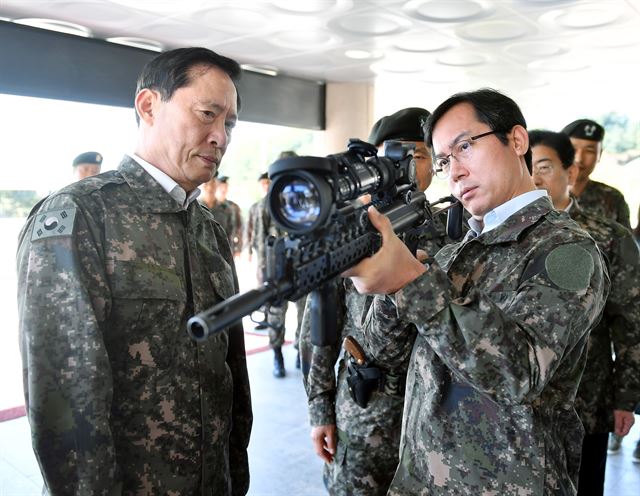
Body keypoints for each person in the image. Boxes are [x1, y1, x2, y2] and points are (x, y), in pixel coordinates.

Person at [343, 88, 609, 495]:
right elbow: (385, 352)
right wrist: (390, 272)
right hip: (423, 481)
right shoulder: (455, 251)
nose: (454, 172)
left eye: (465, 147)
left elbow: (519, 373)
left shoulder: (568, 251)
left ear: (517, 141)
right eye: (445, 161)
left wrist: (412, 282)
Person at [16, 47, 252, 495]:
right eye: (207, 114)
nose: (220, 136)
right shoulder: (80, 216)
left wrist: (235, 476)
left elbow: (230, 371)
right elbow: (65, 402)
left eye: (230, 124)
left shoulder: (208, 229)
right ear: (148, 106)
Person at [303, 107, 465, 495]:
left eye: (419, 155)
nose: (406, 166)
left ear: (434, 164)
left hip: (435, 410)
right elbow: (320, 332)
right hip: (365, 410)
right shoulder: (350, 230)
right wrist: (320, 409)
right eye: (394, 156)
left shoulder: (452, 229)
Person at [530, 129, 640, 496]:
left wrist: (625, 399)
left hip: (586, 401)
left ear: (570, 173)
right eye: (525, 166)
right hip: (522, 405)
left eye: (544, 166)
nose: (533, 177)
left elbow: (630, 323)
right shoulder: (504, 235)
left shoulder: (607, 237)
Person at [254, 150, 306, 377]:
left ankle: (299, 351)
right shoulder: (265, 205)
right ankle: (277, 354)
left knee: (304, 316)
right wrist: (263, 273)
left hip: (303, 267)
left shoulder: (304, 198)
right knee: (276, 316)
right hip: (276, 270)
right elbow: (259, 241)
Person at [561, 118, 631, 229]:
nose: (579, 159)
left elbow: (626, 243)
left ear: (600, 155)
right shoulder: (544, 195)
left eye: (589, 151)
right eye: (573, 149)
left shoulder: (612, 198)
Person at [205, 174, 243, 257]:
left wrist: (237, 248)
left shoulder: (228, 208)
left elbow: (235, 230)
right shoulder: (196, 206)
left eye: (226, 187)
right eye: (207, 184)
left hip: (222, 254)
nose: (209, 187)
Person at [244, 171, 270, 282]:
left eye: (267, 183)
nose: (265, 186)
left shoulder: (277, 204)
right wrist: (248, 250)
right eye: (263, 183)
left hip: (275, 247)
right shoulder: (254, 207)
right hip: (260, 251)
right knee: (262, 280)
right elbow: (248, 230)